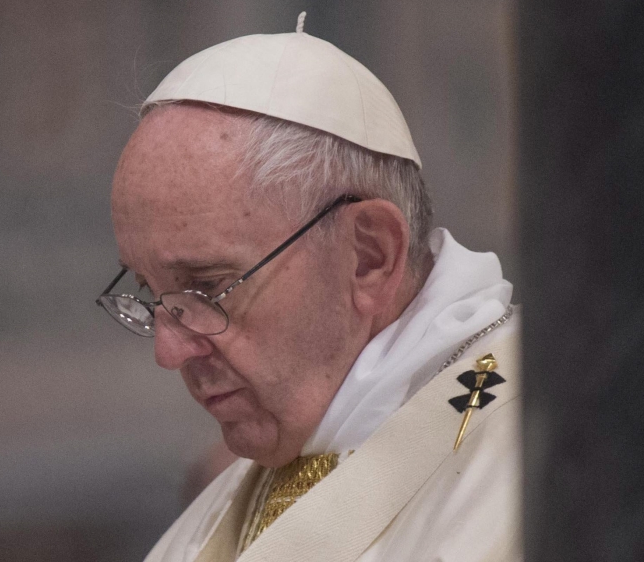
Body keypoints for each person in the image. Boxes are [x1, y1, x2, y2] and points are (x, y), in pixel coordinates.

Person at [96, 14, 521, 562]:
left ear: (369, 256)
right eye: (150, 293)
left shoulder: (543, 456)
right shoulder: (220, 512)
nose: (168, 350)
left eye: (207, 288)